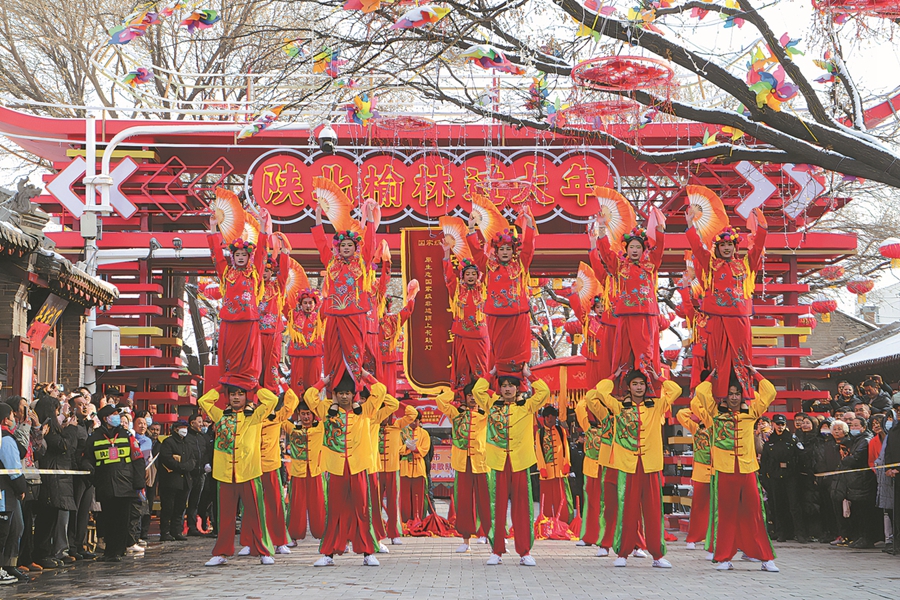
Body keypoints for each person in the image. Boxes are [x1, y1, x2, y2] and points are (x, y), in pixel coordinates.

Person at [593, 368, 680, 568]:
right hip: (628, 466)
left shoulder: (656, 406)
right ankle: (623, 553)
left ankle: (657, 555)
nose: (639, 387)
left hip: (650, 466)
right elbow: (599, 392)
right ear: (629, 387)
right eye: (634, 384)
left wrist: (658, 378)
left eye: (641, 383)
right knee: (627, 511)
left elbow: (675, 391)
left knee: (653, 511)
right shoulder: (619, 407)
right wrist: (613, 376)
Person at [694, 369, 779, 572]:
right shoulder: (715, 414)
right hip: (724, 470)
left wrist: (753, 373)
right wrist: (714, 376)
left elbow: (770, 392)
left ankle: (765, 557)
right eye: (730, 394)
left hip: (747, 468)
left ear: (743, 395)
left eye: (737, 393)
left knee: (754, 513)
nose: (733, 397)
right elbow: (701, 392)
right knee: (725, 514)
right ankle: (724, 557)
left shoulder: (751, 412)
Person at [304, 371, 385, 567]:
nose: (344, 396)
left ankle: (368, 553)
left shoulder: (364, 410)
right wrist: (325, 381)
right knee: (334, 510)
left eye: (347, 393)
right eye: (340, 393)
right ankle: (328, 554)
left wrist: (364, 375)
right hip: (336, 467)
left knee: (362, 510)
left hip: (358, 467)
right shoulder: (327, 410)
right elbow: (309, 396)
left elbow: (381, 391)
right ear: (335, 394)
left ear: (353, 394)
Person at [472, 364, 550, 566]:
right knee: (496, 507)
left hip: (520, 462)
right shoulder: (492, 404)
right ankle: (496, 550)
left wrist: (529, 375)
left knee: (523, 507)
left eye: (511, 386)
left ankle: (525, 551)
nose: (507, 389)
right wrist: (491, 373)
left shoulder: (527, 405)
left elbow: (544, 392)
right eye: (504, 385)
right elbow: (477, 391)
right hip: (498, 462)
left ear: (517, 388)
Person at [686, 207, 767, 400]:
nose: (726, 248)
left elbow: (757, 248)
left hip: (739, 318)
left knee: (742, 357)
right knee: (718, 359)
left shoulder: (745, 264)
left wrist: (762, 227)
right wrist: (690, 225)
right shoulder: (710, 264)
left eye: (729, 244)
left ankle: (744, 397)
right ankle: (720, 396)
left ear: (735, 246)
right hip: (717, 319)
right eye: (722, 245)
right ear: (717, 248)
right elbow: (697, 248)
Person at [199, 384, 278, 566]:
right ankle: (222, 553)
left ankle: (263, 551)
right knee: (225, 518)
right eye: (233, 394)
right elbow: (203, 401)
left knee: (256, 514)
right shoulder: (220, 416)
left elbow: (272, 400)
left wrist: (256, 387)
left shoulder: (255, 416)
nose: (236, 397)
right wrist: (221, 386)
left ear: (246, 397)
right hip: (225, 474)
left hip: (249, 472)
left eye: (240, 394)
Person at [594, 215, 666, 392]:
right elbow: (606, 254)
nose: (634, 250)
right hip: (625, 315)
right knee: (623, 353)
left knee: (646, 352)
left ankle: (649, 389)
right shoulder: (619, 266)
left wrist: (660, 230)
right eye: (631, 247)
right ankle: (622, 390)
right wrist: (602, 228)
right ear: (626, 249)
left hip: (646, 315)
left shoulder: (650, 264)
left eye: (638, 247)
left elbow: (659, 249)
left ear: (643, 250)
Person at [312, 200, 377, 389]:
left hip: (355, 315)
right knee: (333, 354)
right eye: (343, 245)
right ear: (338, 248)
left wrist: (370, 215)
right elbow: (320, 242)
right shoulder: (331, 262)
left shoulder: (362, 263)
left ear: (356, 247)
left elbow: (370, 242)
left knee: (355, 353)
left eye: (350, 245)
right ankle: (334, 393)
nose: (346, 248)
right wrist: (318, 216)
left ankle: (354, 392)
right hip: (334, 315)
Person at [467, 207, 536, 377]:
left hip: (518, 315)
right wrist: (471, 229)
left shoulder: (520, 265)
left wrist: (529, 226)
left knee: (519, 347)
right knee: (498, 348)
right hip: (496, 315)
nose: (505, 252)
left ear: (513, 251)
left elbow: (528, 249)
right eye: (501, 249)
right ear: (496, 251)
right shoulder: (488, 266)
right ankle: (495, 372)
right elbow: (476, 252)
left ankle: (522, 373)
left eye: (508, 249)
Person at [207, 209, 269, 389]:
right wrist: (213, 228)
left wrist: (263, 225)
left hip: (249, 321)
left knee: (248, 356)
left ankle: (249, 385)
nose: (241, 257)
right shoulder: (226, 272)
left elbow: (262, 252)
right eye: (237, 255)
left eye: (244, 255)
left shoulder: (255, 272)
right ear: (233, 257)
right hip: (229, 321)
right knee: (229, 355)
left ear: (249, 257)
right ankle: (229, 385)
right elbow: (216, 255)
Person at [82, 405, 146, 562]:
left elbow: (138, 459)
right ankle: (110, 551)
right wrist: (91, 473)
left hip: (125, 483)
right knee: (107, 519)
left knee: (123, 519)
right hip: (105, 483)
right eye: (115, 414)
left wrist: (139, 483)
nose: (118, 417)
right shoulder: (94, 437)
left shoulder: (127, 435)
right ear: (106, 418)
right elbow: (87, 458)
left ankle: (119, 550)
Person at [239, 390, 298, 556]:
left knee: (276, 505)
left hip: (271, 467)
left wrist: (281, 383)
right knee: (250, 505)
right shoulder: (251, 418)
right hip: (253, 467)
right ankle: (249, 541)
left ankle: (279, 542)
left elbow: (292, 401)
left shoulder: (278, 417)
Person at [435, 383, 490, 553]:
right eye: (469, 395)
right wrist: (455, 392)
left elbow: (495, 402)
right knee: (464, 502)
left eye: (475, 395)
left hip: (482, 462)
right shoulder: (456, 414)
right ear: (465, 397)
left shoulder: (486, 414)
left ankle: (489, 535)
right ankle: (466, 540)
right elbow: (439, 401)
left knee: (486, 500)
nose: (473, 398)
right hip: (462, 463)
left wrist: (484, 391)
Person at [33, 395, 76, 567]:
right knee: (46, 518)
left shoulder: (56, 428)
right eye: (57, 410)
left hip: (58, 478)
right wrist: (71, 429)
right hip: (50, 478)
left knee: (53, 517)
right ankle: (41, 553)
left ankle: (49, 552)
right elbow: (63, 446)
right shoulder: (48, 428)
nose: (59, 414)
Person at [441, 238, 490, 391]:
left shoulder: (484, 289)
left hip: (480, 336)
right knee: (462, 369)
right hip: (461, 335)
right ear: (462, 276)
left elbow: (488, 270)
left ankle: (482, 394)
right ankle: (462, 396)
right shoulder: (457, 290)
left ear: (478, 276)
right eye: (467, 274)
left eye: (473, 274)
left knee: (481, 369)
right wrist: (446, 254)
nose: (470, 276)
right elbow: (449, 277)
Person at [374, 398, 417, 547]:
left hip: (393, 470)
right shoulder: (372, 425)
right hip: (376, 470)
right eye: (382, 413)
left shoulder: (397, 425)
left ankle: (394, 534)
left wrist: (393, 400)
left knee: (393, 503)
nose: (385, 417)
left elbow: (413, 413)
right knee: (375, 504)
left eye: (387, 413)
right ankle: (376, 535)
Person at [284, 400, 325, 542]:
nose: (306, 417)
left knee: (319, 504)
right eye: (303, 414)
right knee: (296, 505)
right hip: (298, 472)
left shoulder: (320, 428)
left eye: (308, 414)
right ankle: (294, 535)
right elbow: (280, 418)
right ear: (298, 414)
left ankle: (322, 533)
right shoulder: (292, 429)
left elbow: (326, 414)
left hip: (316, 471)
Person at [837, 416, 878, 548]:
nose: (853, 428)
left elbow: (856, 458)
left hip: (863, 480)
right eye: (852, 426)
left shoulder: (865, 440)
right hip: (855, 481)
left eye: (856, 425)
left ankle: (867, 538)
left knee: (865, 512)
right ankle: (860, 537)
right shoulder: (854, 440)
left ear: (864, 427)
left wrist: (846, 458)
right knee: (858, 512)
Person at [761, 414, 803, 543]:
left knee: (794, 505)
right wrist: (766, 477)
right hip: (775, 477)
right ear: (773, 424)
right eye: (778, 424)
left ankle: (799, 533)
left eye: (782, 424)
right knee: (778, 505)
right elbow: (765, 461)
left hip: (790, 476)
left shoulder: (792, 439)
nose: (780, 427)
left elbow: (800, 456)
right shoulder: (770, 441)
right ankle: (781, 532)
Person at [676, 402, 712, 550]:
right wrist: (695, 410)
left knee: (717, 508)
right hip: (700, 473)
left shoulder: (716, 427)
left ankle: (713, 537)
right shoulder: (696, 428)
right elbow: (680, 415)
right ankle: (693, 538)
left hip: (717, 470)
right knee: (698, 507)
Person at [0, 403, 27, 583]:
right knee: (6, 530)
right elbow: (14, 469)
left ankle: (9, 565)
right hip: (6, 492)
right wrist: (21, 488)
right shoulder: (6, 439)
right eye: (11, 415)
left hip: (6, 491)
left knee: (16, 526)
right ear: (5, 419)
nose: (14, 419)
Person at [157, 420, 197, 542]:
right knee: (168, 507)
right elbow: (167, 459)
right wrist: (181, 467)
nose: (184, 430)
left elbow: (192, 460)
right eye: (182, 427)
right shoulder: (168, 442)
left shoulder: (188, 443)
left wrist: (185, 467)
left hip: (185, 481)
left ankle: (176, 531)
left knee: (180, 508)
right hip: (170, 481)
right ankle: (165, 532)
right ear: (175, 429)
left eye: (186, 427)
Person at [258, 246, 290, 392]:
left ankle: (271, 392)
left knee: (272, 364)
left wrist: (284, 253)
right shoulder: (252, 286)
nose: (264, 273)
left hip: (273, 333)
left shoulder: (277, 286)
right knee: (255, 364)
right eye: (262, 270)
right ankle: (254, 393)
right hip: (255, 332)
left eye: (267, 270)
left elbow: (284, 273)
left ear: (272, 272)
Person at [68, 392, 95, 559]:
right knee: (75, 511)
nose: (84, 407)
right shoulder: (72, 426)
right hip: (77, 474)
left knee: (85, 511)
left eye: (85, 404)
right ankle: (72, 546)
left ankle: (80, 544)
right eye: (79, 404)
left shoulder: (89, 426)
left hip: (89, 475)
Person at [536, 405, 574, 524]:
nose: (550, 419)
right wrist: (542, 468)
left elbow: (566, 447)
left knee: (562, 498)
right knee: (546, 500)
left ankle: (563, 522)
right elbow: (538, 451)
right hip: (546, 472)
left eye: (552, 416)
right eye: (547, 416)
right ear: (544, 418)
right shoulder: (540, 433)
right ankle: (547, 524)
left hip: (560, 471)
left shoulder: (561, 430)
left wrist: (566, 464)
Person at [377, 292, 418, 397]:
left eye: (382, 306)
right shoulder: (368, 321)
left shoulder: (392, 320)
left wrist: (411, 298)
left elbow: (406, 312)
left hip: (388, 360)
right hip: (372, 360)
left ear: (387, 307)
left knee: (388, 390)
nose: (379, 309)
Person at [286, 289, 324, 398]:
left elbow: (327, 306)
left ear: (315, 304)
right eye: (305, 303)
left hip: (315, 355)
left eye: (310, 303)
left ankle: (313, 407)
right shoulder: (293, 316)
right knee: (297, 385)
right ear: (300, 304)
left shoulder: (319, 317)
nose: (308, 306)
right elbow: (284, 306)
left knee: (314, 385)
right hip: (298, 356)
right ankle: (297, 406)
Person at [793, 413, 823, 542]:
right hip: (799, 476)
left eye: (807, 423)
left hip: (813, 476)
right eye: (803, 422)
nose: (804, 425)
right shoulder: (797, 438)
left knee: (813, 504)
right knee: (800, 504)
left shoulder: (817, 439)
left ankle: (815, 532)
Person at [398, 412, 431, 524]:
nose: (413, 422)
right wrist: (406, 447)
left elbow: (425, 450)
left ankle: (418, 521)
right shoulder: (402, 432)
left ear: (419, 421)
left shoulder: (424, 433)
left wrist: (415, 449)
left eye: (416, 420)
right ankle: (405, 522)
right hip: (405, 468)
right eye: (411, 420)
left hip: (419, 468)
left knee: (418, 496)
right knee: (405, 497)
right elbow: (398, 449)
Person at [185, 413, 211, 536]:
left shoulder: (203, 438)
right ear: (192, 423)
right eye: (199, 422)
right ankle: (179, 527)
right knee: (184, 501)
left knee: (195, 501)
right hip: (189, 473)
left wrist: (206, 464)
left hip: (201, 474)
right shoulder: (186, 437)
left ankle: (193, 526)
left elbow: (206, 452)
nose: (202, 424)